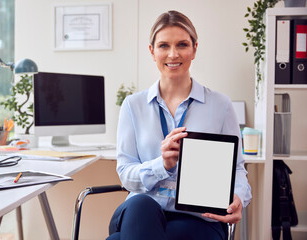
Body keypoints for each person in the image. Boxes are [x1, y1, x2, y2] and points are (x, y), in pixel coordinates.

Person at [108, 10, 252, 240]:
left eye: (182, 44)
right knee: (141, 206)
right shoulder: (132, 105)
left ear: (194, 48)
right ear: (152, 51)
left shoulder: (221, 105)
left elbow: (237, 169)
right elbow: (126, 174)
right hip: (140, 211)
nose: (173, 54)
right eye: (164, 45)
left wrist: (238, 196)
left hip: (198, 217)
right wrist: (161, 164)